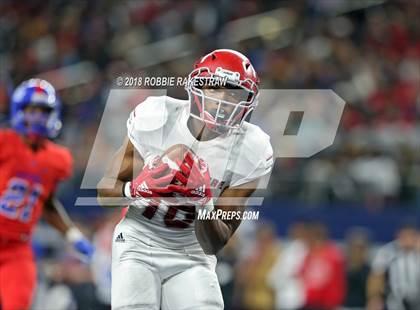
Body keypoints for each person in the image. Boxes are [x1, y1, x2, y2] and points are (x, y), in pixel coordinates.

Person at [97, 49, 274, 309]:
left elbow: (215, 242)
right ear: (196, 85)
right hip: (138, 240)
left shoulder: (252, 149)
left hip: (192, 252)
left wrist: (202, 202)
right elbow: (104, 194)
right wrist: (137, 188)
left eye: (234, 93)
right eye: (215, 88)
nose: (223, 100)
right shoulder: (156, 117)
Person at [0, 78, 94, 310]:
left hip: (17, 249)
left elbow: (47, 203)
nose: (37, 117)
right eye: (32, 110)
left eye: (43, 111)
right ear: (19, 111)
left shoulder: (57, 159)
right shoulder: (5, 143)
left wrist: (72, 235)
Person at [367, 222, 420, 310]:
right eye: (405, 236)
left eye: (411, 235)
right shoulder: (387, 252)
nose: (408, 239)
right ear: (398, 236)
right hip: (395, 301)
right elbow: (376, 276)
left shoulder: (418, 252)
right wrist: (374, 297)